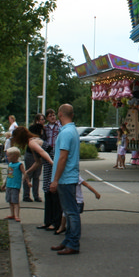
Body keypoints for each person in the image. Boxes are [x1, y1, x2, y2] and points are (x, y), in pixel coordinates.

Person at [49, 104, 82, 255]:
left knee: (71, 212)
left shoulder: (66, 133)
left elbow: (63, 157)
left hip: (66, 178)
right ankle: (68, 240)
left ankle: (73, 243)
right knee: (69, 212)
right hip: (69, 177)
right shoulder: (71, 131)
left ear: (60, 114)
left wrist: (55, 179)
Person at [13, 124, 51, 208]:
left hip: (49, 163)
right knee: (46, 186)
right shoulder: (33, 140)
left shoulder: (32, 142)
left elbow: (43, 153)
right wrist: (27, 171)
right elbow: (38, 161)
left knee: (48, 186)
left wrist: (53, 164)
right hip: (47, 162)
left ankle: (51, 211)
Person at [38, 109, 63, 230]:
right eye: (50, 116)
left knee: (54, 185)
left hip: (56, 153)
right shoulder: (45, 128)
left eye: (53, 115)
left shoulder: (60, 127)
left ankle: (55, 221)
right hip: (47, 154)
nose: (52, 117)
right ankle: (47, 220)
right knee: (47, 184)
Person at [4, 147, 24, 222]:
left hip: (15, 186)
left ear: (14, 156)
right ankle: (12, 214)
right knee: (10, 200)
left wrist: (27, 182)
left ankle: (17, 215)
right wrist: (4, 184)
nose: (7, 157)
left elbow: (25, 173)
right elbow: (8, 175)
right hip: (9, 185)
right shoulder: (10, 164)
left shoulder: (19, 165)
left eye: (8, 156)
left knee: (15, 201)